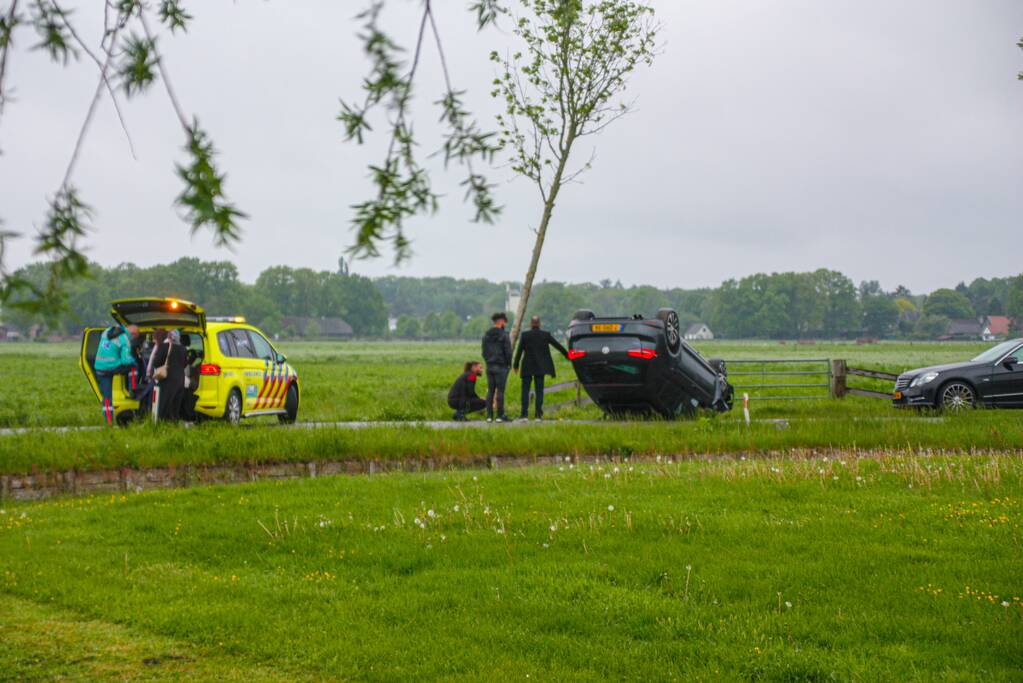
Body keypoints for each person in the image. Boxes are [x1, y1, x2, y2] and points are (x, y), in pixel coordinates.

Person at [513, 315, 568, 420]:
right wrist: (567, 355)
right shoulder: (545, 335)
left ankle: (524, 415)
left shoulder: (525, 335)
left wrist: (515, 365)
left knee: (525, 391)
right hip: (540, 367)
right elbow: (558, 346)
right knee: (539, 391)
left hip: (527, 367)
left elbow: (519, 351)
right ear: (539, 324)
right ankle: (538, 415)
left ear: (530, 324)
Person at [93, 323, 140, 425]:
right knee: (134, 366)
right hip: (112, 366)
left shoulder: (107, 331)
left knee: (107, 397)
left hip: (100, 367)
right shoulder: (124, 339)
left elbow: (109, 348)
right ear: (133, 333)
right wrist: (135, 358)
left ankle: (108, 422)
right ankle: (133, 390)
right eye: (136, 336)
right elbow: (126, 361)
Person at [150, 329, 188, 422]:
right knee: (175, 405)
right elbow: (185, 364)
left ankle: (161, 424)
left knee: (164, 404)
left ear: (169, 337)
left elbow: (156, 363)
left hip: (167, 379)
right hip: (180, 380)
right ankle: (173, 424)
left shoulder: (164, 346)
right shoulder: (183, 348)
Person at [481, 312, 512, 422]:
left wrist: (488, 361)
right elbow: (508, 352)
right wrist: (509, 364)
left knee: (490, 391)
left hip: (489, 366)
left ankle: (489, 416)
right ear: (502, 321)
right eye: (505, 322)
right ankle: (500, 415)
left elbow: (483, 352)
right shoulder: (504, 335)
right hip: (501, 366)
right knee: (500, 391)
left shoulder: (486, 335)